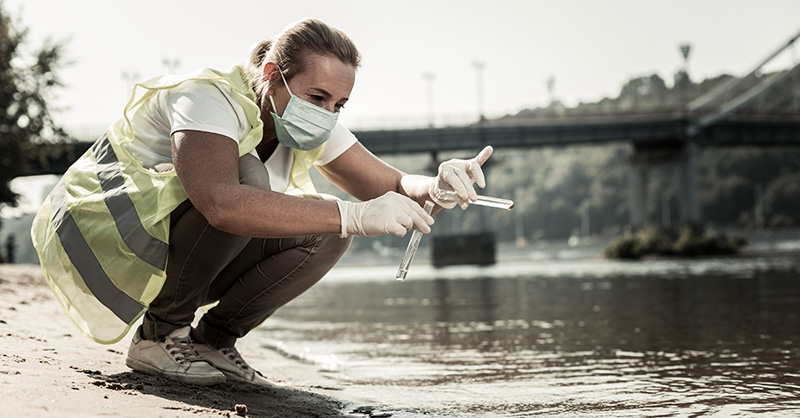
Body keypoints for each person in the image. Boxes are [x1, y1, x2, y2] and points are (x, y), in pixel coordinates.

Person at [31, 18, 494, 386]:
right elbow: (221, 203)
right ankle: (158, 335)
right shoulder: (208, 98)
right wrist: (353, 214)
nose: (328, 114)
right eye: (318, 97)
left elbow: (389, 185)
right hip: (104, 247)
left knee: (328, 236)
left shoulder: (308, 117)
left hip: (165, 250)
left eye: (340, 104)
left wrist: (436, 185)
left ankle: (212, 342)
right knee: (253, 179)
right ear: (273, 76)